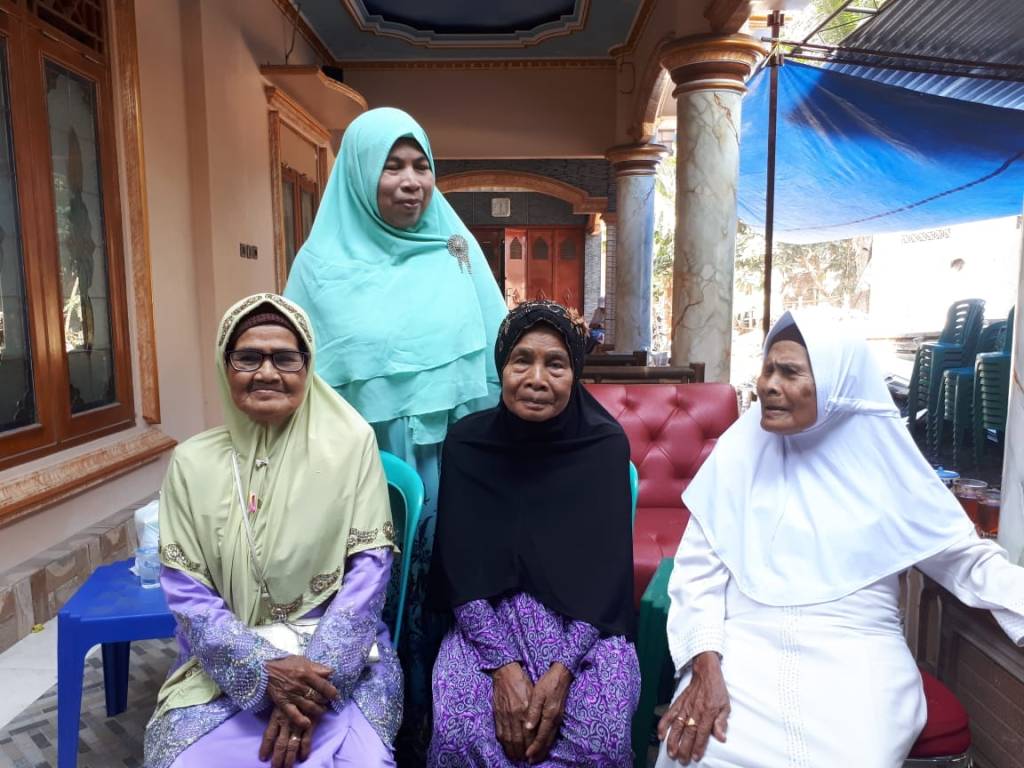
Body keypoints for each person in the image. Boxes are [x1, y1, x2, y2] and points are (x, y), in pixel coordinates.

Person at [656, 311, 1024, 767]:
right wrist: (705, 664)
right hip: (746, 641)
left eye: (789, 372)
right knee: (699, 752)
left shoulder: (885, 462)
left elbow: (966, 561)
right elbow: (697, 574)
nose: (768, 385)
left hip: (857, 647)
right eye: (768, 369)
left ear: (837, 384)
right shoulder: (740, 450)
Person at [284, 108, 507, 752]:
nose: (411, 182)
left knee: (442, 595)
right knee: (365, 599)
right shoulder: (319, 267)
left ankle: (437, 723)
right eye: (392, 166)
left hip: (446, 464)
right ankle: (365, 725)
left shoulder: (454, 253)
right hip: (356, 471)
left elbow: (498, 361)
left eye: (421, 166)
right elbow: (293, 378)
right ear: (359, 173)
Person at [144, 294, 401, 768]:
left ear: (308, 366)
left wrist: (310, 689)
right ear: (225, 367)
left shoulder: (350, 447)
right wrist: (264, 672)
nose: (266, 372)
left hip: (340, 659)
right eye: (248, 357)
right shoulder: (192, 463)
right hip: (226, 662)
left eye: (285, 358)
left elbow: (369, 573)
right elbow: (187, 591)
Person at [429, 300, 640, 767]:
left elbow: (606, 575)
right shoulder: (468, 444)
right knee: (461, 734)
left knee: (598, 742)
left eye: (555, 365)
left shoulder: (604, 446)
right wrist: (502, 667)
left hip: (585, 627)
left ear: (575, 373)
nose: (537, 379)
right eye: (521, 360)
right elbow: (459, 566)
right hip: (486, 623)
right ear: (502, 367)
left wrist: (562, 672)